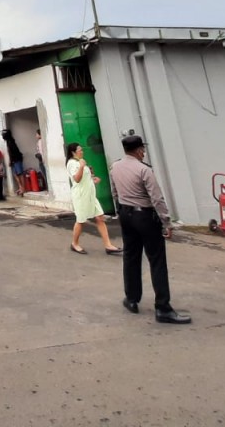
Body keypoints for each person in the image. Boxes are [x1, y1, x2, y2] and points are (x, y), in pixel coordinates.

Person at [109, 135, 191, 324]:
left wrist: (121, 210)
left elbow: (114, 191)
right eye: (142, 149)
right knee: (157, 260)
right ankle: (163, 307)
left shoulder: (115, 167)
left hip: (125, 215)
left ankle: (131, 299)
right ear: (138, 150)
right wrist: (166, 222)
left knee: (131, 256)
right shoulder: (144, 170)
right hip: (145, 217)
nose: (144, 152)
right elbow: (157, 198)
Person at [67, 143, 122, 256]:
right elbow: (77, 179)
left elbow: (84, 178)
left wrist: (92, 179)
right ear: (73, 152)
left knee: (100, 217)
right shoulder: (72, 163)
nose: (82, 151)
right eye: (80, 150)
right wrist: (82, 166)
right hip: (81, 196)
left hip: (91, 195)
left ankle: (108, 245)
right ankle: (74, 243)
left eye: (82, 150)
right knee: (81, 220)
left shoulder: (81, 161)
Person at [1, 129, 25, 196]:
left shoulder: (11, 142)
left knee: (20, 174)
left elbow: (13, 152)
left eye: (3, 134)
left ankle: (23, 188)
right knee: (15, 174)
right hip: (14, 160)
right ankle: (20, 187)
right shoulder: (8, 142)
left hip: (16, 159)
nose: (2, 136)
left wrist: (11, 160)